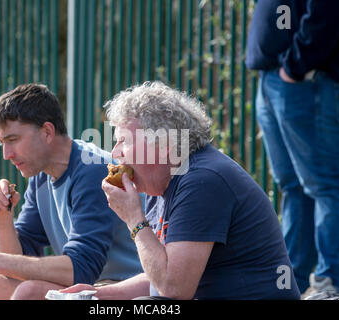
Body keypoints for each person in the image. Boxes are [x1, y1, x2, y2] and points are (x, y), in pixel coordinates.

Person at [60, 81, 301, 300]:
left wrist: (133, 218)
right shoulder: (161, 184)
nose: (114, 153)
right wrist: (96, 295)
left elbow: (174, 288)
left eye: (124, 141)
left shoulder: (202, 181)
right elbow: (158, 278)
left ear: (164, 145)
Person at [0, 83, 143, 299]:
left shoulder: (92, 170)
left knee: (30, 292)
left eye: (12, 140)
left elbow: (82, 269)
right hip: (85, 287)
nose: (6, 154)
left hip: (124, 289)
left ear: (47, 132)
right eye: (1, 143)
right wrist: (2, 213)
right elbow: (16, 262)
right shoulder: (42, 174)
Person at [246, 0, 339, 297]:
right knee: (294, 186)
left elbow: (332, 8)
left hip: (306, 80)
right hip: (276, 78)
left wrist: (297, 65)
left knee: (325, 186)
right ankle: (291, 283)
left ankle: (330, 284)